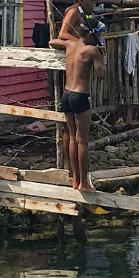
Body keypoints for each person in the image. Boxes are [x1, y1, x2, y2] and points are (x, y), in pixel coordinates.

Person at [50, 20, 106, 191]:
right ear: (90, 34)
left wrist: (73, 41)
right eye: (98, 34)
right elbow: (101, 73)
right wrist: (101, 56)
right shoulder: (92, 50)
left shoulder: (70, 45)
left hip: (66, 95)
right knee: (82, 141)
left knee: (73, 138)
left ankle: (75, 180)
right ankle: (85, 184)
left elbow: (52, 41)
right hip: (80, 96)